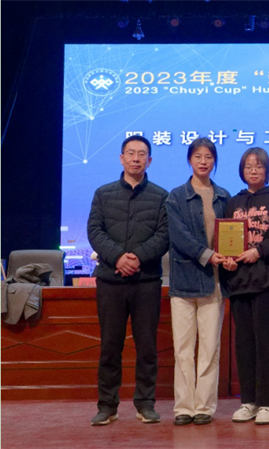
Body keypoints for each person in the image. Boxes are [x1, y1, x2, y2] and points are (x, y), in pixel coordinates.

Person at [87, 135, 169, 426]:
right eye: (131, 153)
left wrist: (137, 258)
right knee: (110, 346)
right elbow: (95, 231)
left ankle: (145, 404)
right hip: (111, 281)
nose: (136, 159)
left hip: (146, 281)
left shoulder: (161, 196)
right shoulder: (103, 193)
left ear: (150, 160)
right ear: (121, 158)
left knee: (147, 346)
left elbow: (164, 235)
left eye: (142, 154)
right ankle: (107, 406)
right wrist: (118, 258)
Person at [223, 147, 269, 425]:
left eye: (258, 166)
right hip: (240, 284)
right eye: (248, 166)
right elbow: (225, 239)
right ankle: (248, 401)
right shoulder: (233, 202)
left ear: (267, 170)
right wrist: (228, 260)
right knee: (244, 346)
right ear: (241, 171)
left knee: (267, 345)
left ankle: (268, 403)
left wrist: (260, 250)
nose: (253, 171)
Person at [165, 137, 231, 426]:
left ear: (214, 161)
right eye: (198, 156)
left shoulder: (224, 196)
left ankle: (204, 406)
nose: (204, 162)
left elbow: (232, 236)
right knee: (182, 349)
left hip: (214, 282)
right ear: (189, 160)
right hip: (183, 282)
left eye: (209, 157)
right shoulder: (176, 196)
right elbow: (178, 236)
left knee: (209, 349)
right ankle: (183, 407)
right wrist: (208, 255)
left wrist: (230, 257)